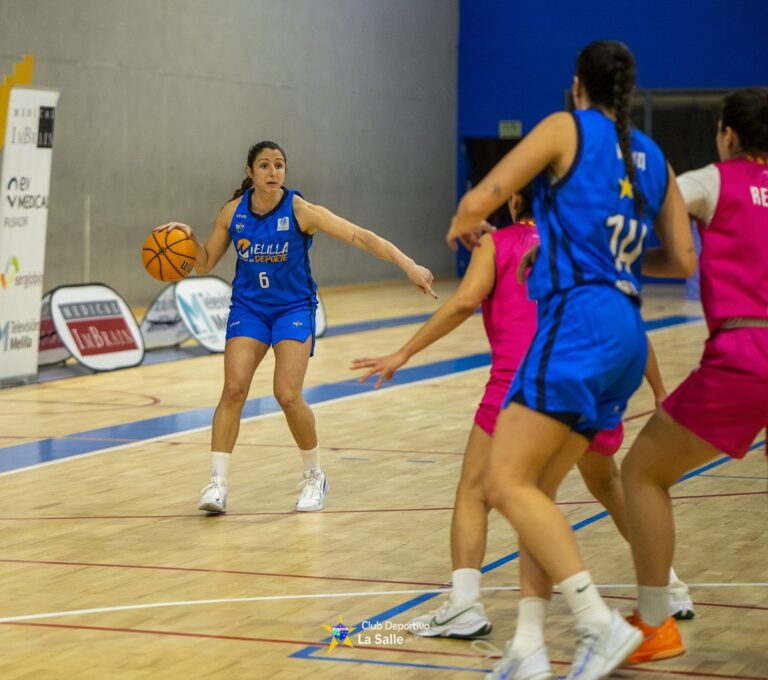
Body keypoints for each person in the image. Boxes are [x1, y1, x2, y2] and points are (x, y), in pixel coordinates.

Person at [445, 41, 696, 680]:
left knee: (503, 483)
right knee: (540, 490)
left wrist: (466, 220)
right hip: (628, 331)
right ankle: (528, 646)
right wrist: (605, 262)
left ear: (578, 84)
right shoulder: (654, 154)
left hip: (576, 326)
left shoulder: (565, 126)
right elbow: (683, 260)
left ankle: (597, 622)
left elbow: (486, 195)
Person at [352, 190, 693, 644]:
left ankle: (465, 605)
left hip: (520, 388)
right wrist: (659, 387)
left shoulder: (498, 245)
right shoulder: (579, 242)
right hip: (586, 382)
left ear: (513, 197)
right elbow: (625, 316)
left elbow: (461, 302)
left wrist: (404, 352)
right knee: (607, 484)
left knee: (475, 492)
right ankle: (668, 586)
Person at [154, 140, 436, 515]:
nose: (274, 172)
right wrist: (186, 241)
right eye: (266, 166)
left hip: (292, 308)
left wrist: (408, 264)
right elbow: (204, 262)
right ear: (250, 172)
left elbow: (360, 235)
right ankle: (217, 484)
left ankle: (314, 475)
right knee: (234, 389)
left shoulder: (300, 210)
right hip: (250, 308)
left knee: (286, 394)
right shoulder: (233, 212)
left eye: (280, 165)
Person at [621, 87, 768, 665]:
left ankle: (656, 623)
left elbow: (658, 213)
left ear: (728, 133)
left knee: (641, 473)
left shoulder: (715, 179)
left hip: (746, 352)